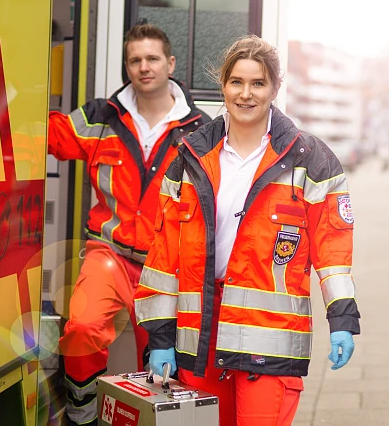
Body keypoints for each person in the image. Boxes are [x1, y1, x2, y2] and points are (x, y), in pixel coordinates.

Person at [134, 35, 361, 426]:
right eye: (236, 82)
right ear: (223, 85)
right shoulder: (189, 158)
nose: (245, 94)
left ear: (275, 88)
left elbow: (333, 252)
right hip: (201, 336)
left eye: (258, 83)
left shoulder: (311, 161)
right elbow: (163, 257)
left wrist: (342, 319)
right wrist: (160, 336)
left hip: (268, 341)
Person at [48, 23, 209, 426]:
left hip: (164, 265)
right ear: (127, 66)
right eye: (135, 60)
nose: (144, 67)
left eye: (152, 58)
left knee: (162, 361)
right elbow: (50, 136)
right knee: (81, 329)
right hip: (109, 255)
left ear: (170, 63)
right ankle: (82, 416)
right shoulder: (101, 117)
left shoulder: (199, 130)